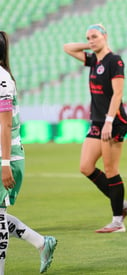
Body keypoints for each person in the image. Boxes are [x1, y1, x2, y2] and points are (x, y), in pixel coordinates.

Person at [63, 24, 127, 233]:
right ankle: (122, 206)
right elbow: (68, 48)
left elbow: (117, 94)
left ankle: (117, 221)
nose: (91, 40)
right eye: (88, 37)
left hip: (113, 121)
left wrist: (110, 120)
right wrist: (89, 44)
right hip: (96, 122)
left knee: (111, 170)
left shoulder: (114, 60)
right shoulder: (94, 60)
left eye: (95, 36)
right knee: (86, 166)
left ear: (105, 36)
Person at [0, 31, 57, 274]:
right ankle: (41, 242)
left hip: (6, 155)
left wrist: (4, 163)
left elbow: (3, 124)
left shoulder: (2, 79)